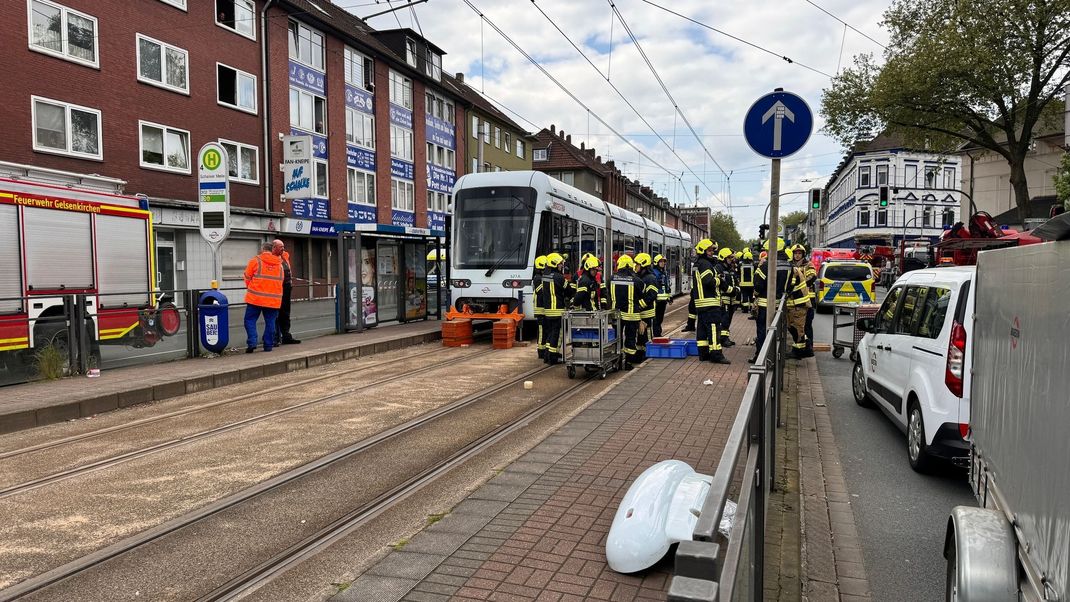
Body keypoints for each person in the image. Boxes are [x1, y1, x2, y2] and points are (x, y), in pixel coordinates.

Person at [750, 239, 791, 363]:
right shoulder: (788, 265)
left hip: (765, 305)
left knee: (762, 331)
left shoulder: (767, 265)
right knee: (777, 332)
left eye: (767, 250)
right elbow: (790, 284)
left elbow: (757, 284)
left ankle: (761, 357)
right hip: (781, 305)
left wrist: (755, 296)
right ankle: (775, 357)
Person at [693, 239, 730, 365]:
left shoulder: (698, 264)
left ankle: (703, 354)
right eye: (709, 250)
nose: (711, 253)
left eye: (712, 250)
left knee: (702, 331)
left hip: (701, 303)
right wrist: (719, 280)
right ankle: (716, 355)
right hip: (710, 303)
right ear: (703, 251)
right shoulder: (705, 264)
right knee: (714, 329)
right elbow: (708, 281)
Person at [244, 242, 285, 353]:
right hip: (273, 300)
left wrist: (251, 287)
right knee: (270, 322)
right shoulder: (280, 265)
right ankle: (268, 345)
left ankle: (252, 342)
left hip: (255, 298)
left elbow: (247, 277)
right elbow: (281, 281)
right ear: (272, 250)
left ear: (262, 249)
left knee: (250, 320)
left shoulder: (255, 261)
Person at [609, 254, 645, 369]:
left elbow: (608, 293)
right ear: (630, 265)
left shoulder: (611, 278)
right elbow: (641, 294)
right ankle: (628, 363)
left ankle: (617, 362)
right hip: (631, 315)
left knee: (617, 338)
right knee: (630, 338)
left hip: (617, 314)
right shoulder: (636, 280)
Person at [539, 252, 570, 364]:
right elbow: (569, 290)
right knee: (557, 333)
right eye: (560, 264)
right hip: (557, 310)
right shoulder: (559, 277)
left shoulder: (545, 276)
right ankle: (553, 357)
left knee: (550, 332)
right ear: (555, 264)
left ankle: (547, 355)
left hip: (548, 311)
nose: (562, 266)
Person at [271, 239, 300, 345]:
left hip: (286, 287)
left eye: (283, 246)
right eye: (280, 246)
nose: (283, 248)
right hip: (276, 288)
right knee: (275, 313)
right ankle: (275, 337)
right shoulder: (271, 258)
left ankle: (286, 335)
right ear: (274, 247)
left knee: (285, 312)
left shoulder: (285, 256)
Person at [792, 244, 817, 355]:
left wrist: (800, 284)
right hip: (796, 301)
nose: (797, 255)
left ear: (803, 254)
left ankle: (809, 348)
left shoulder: (808, 265)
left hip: (808, 300)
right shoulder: (791, 265)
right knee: (798, 325)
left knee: (807, 325)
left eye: (799, 253)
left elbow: (812, 277)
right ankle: (801, 347)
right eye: (795, 253)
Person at [633, 253, 659, 349]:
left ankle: (647, 354)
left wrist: (639, 305)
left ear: (643, 265)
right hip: (641, 312)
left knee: (646, 335)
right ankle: (641, 353)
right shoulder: (640, 277)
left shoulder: (650, 278)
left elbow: (652, 295)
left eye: (637, 264)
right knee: (640, 335)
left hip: (647, 313)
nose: (635, 266)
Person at [715, 248, 738, 348]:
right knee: (724, 319)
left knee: (728, 319)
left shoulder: (730, 268)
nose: (731, 259)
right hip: (723, 299)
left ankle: (726, 337)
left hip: (731, 299)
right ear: (723, 258)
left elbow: (736, 281)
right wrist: (732, 290)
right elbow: (722, 284)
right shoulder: (718, 268)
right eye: (729, 257)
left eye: (731, 257)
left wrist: (737, 289)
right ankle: (723, 339)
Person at [651, 254, 672, 337]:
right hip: (656, 300)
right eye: (661, 262)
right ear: (656, 263)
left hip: (663, 300)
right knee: (656, 319)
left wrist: (669, 297)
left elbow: (666, 286)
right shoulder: (654, 273)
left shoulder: (664, 272)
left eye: (664, 262)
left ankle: (658, 333)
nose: (663, 263)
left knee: (660, 318)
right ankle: (657, 334)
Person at [533, 255, 548, 360]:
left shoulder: (540, 277)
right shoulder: (538, 278)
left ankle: (543, 350)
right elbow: (541, 292)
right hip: (540, 309)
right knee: (542, 331)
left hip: (542, 309)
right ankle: (541, 351)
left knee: (544, 330)